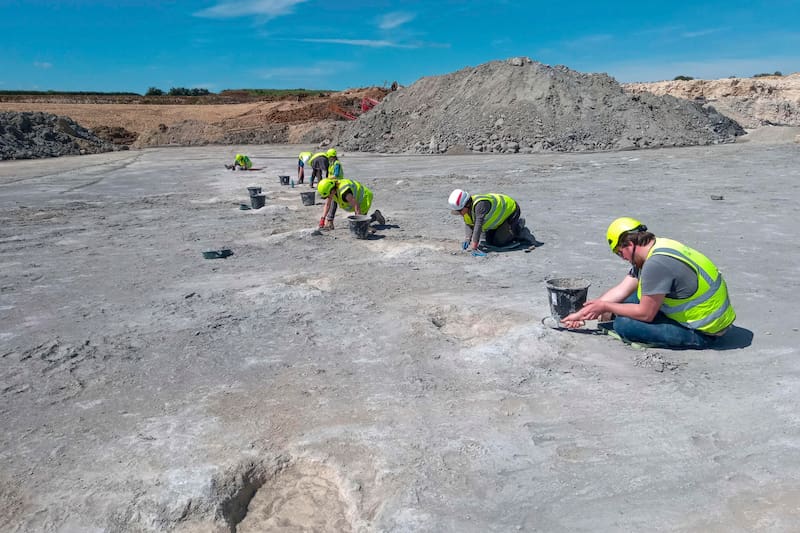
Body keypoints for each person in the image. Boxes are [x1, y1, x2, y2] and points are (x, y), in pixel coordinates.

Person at [561, 217, 736, 349]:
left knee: (624, 325)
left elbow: (646, 314)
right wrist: (584, 313)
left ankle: (692, 340)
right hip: (705, 316)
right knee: (623, 301)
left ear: (630, 244)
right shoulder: (657, 246)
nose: (622, 258)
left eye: (619, 253)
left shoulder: (656, 264)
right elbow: (622, 289)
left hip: (705, 330)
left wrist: (606, 307)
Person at [447, 189, 537, 255]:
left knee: (499, 243)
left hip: (511, 212)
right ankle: (505, 230)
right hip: (500, 219)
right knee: (489, 241)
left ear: (466, 204)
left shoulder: (480, 205)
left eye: (459, 211)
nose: (459, 213)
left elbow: (478, 226)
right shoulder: (466, 209)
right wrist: (467, 239)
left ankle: (518, 227)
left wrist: (474, 247)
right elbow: (469, 224)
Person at [317, 178, 384, 230]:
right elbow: (327, 205)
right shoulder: (333, 190)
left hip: (364, 198)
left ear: (332, 190)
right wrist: (322, 219)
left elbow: (356, 206)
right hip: (353, 200)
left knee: (362, 224)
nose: (328, 197)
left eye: (328, 195)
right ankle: (330, 222)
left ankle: (375, 216)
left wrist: (358, 223)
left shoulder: (345, 192)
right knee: (333, 201)